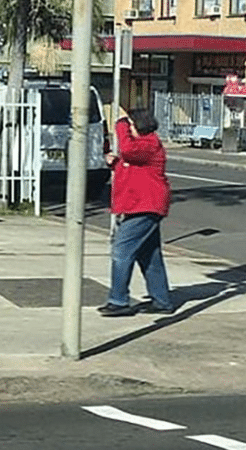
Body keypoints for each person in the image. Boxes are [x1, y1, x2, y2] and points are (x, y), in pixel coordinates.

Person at [97, 108, 174, 317]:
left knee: (121, 251)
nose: (128, 129)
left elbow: (130, 151)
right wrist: (115, 163)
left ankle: (118, 300)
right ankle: (161, 300)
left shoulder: (149, 143)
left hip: (146, 206)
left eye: (131, 125)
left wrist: (120, 125)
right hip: (138, 204)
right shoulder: (142, 146)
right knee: (149, 255)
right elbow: (132, 165)